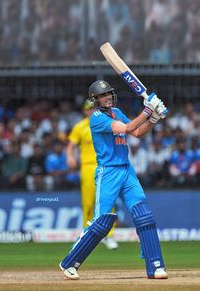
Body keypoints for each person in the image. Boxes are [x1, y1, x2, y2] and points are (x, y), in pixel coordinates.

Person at [60, 80, 168, 280]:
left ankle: (155, 266)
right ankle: (69, 263)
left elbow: (137, 132)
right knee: (101, 222)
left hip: (126, 169)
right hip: (107, 172)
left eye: (108, 93)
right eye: (102, 95)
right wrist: (148, 109)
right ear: (95, 100)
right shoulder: (96, 118)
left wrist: (154, 118)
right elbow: (126, 129)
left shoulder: (117, 112)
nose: (107, 97)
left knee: (144, 215)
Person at [66, 98, 118, 250]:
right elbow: (71, 145)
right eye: (89, 109)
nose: (91, 112)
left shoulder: (105, 122)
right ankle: (87, 235)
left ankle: (109, 235)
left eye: (93, 109)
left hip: (105, 165)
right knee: (88, 203)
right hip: (88, 167)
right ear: (84, 111)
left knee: (107, 200)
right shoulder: (80, 127)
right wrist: (69, 157)